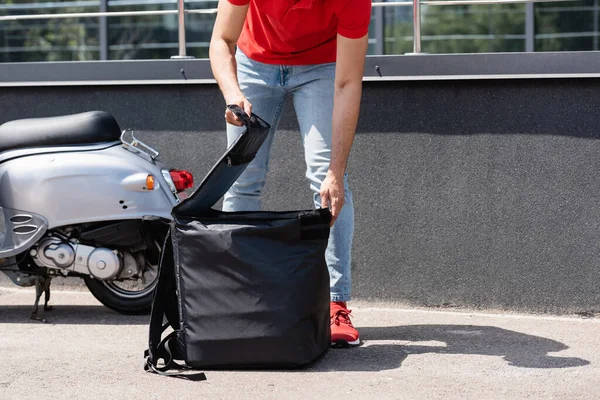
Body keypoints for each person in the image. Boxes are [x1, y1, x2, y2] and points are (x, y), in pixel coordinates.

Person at [209, 0, 372, 347]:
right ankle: (241, 298)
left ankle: (335, 304)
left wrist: (336, 171)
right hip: (254, 63)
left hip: (323, 67)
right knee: (242, 180)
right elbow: (223, 39)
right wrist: (233, 93)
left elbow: (347, 83)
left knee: (326, 183)